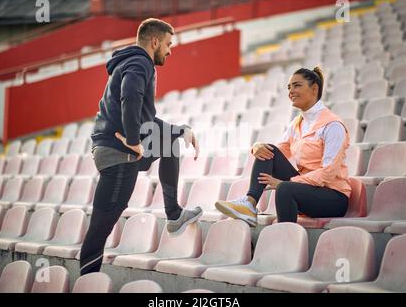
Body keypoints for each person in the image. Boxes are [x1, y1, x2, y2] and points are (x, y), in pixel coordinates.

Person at [80, 18, 203, 275]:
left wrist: (181, 130)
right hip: (119, 153)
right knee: (101, 226)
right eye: (168, 44)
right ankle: (87, 282)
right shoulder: (140, 62)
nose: (170, 50)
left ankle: (174, 214)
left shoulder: (128, 61)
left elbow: (146, 118)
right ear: (155, 41)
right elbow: (130, 96)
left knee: (170, 144)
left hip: (110, 148)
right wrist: (134, 141)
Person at [215, 67, 351, 227]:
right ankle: (250, 203)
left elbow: (328, 173)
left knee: (285, 188)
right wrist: (256, 147)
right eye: (289, 87)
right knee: (267, 151)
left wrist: (290, 182)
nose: (291, 91)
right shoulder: (298, 123)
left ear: (314, 89)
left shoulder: (332, 125)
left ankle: (286, 239)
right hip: (307, 189)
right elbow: (277, 152)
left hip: (333, 198)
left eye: (297, 85)